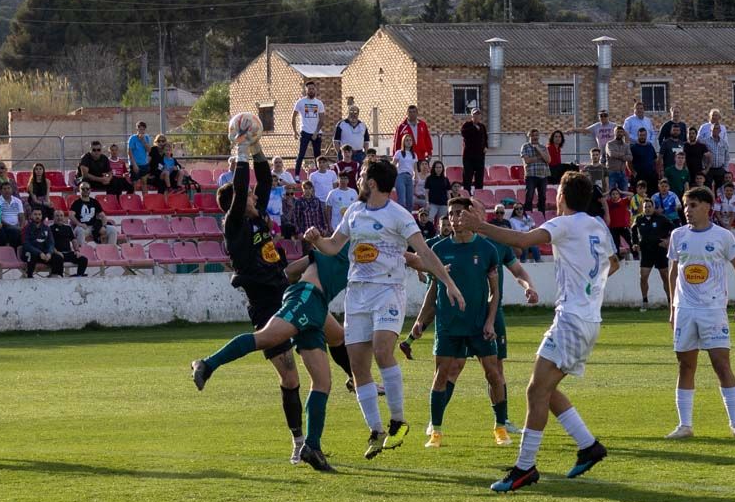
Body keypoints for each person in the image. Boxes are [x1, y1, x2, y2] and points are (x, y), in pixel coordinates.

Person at [191, 126, 355, 465]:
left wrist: (257, 147)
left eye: (252, 198)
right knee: (290, 375)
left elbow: (263, 182)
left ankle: (356, 382)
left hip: (287, 293)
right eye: (248, 198)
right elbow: (240, 189)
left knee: (334, 335)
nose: (254, 198)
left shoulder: (257, 219)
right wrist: (239, 150)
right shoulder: (234, 224)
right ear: (235, 205)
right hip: (265, 302)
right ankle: (299, 442)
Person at [461, 171, 618, 492]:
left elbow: (521, 241)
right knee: (546, 388)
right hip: (587, 319)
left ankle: (524, 467)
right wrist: (591, 286)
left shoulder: (565, 224)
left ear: (562, 195)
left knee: (536, 391)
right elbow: (613, 263)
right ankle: (588, 446)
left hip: (572, 319)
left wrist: (479, 226)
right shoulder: (597, 225)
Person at [305, 160, 464, 459]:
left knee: (381, 350)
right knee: (358, 366)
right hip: (357, 294)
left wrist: (448, 283)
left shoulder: (398, 215)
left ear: (373, 182)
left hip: (388, 291)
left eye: (363, 175)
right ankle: (377, 430)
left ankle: (398, 419)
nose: (359, 179)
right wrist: (316, 239)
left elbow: (424, 252)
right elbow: (333, 246)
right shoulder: (353, 211)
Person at [193, 244, 356, 474]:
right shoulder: (342, 244)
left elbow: (289, 271)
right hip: (307, 298)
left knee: (322, 382)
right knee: (267, 338)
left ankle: (312, 447)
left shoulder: (333, 245)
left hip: (316, 305)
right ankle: (207, 364)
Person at [409, 197, 508, 448]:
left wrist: (489, 322)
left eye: (459, 213)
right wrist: (421, 321)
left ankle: (500, 427)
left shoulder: (487, 250)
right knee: (441, 374)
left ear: (471, 215)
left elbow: (495, 292)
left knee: (493, 374)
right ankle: (436, 432)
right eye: (451, 214)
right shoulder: (439, 250)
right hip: (448, 324)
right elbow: (433, 290)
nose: (454, 218)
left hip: (478, 324)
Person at [665, 187, 735, 440]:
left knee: (721, 365)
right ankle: (685, 425)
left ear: (706, 207)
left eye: (692, 205)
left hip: (713, 311)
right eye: (685, 205)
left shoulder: (723, 236)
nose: (687, 210)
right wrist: (672, 308)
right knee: (685, 365)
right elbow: (673, 272)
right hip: (684, 310)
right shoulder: (677, 235)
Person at [632, 199, 673, 311]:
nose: (648, 208)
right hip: (646, 251)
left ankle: (670, 301)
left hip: (660, 250)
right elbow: (633, 230)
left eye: (650, 206)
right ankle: (645, 301)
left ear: (653, 207)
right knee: (643, 277)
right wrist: (635, 243)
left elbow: (674, 228)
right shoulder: (639, 219)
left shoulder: (662, 218)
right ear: (643, 208)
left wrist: (668, 240)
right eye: (645, 207)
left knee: (665, 276)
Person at [292, 81, 325, 176]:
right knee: (301, 154)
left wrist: (316, 132)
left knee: (317, 155)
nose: (311, 90)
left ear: (315, 90)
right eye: (309, 89)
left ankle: (320, 174)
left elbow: (322, 120)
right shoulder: (300, 102)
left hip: (316, 133)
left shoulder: (319, 103)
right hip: (305, 131)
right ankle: (297, 175)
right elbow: (293, 117)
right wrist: (294, 131)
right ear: (306, 90)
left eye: (313, 89)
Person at [20, 207, 64, 277]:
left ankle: (55, 277)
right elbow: (26, 244)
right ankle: (29, 276)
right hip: (30, 253)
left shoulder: (46, 228)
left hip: (44, 254)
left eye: (39, 214)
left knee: (58, 258)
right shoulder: (26, 228)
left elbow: (51, 243)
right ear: (31, 215)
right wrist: (39, 253)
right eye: (35, 214)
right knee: (31, 255)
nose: (37, 216)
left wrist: (49, 253)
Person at [698, 109, 730, 193]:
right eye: (713, 129)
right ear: (711, 130)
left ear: (720, 131)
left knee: (719, 191)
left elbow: (727, 155)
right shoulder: (705, 140)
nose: (716, 130)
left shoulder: (723, 141)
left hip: (720, 169)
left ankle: (718, 206)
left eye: (717, 129)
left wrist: (725, 168)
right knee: (707, 189)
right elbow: (701, 151)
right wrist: (703, 167)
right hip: (708, 169)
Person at [50, 209, 89, 276]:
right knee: (58, 258)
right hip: (56, 254)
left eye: (61, 216)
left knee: (83, 259)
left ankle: (79, 276)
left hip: (68, 253)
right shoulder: (50, 228)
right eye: (57, 216)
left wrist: (77, 250)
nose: (59, 218)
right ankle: (59, 277)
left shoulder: (68, 228)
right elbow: (49, 243)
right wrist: (56, 252)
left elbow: (73, 240)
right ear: (53, 218)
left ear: (64, 217)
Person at [521, 128, 551, 214]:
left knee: (543, 197)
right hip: (531, 175)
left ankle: (541, 214)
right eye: (533, 135)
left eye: (536, 135)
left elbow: (548, 160)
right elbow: (527, 161)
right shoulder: (525, 146)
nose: (535, 137)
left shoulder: (543, 147)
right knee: (529, 195)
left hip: (543, 175)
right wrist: (539, 157)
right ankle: (527, 214)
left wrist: (538, 150)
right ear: (529, 136)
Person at [460, 107, 487, 192]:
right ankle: (467, 193)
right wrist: (474, 128)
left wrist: (486, 146)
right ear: (472, 115)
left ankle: (479, 193)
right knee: (468, 176)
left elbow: (485, 138)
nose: (476, 116)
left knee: (479, 176)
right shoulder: (467, 125)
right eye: (475, 114)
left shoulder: (482, 126)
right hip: (468, 156)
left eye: (478, 114)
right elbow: (463, 133)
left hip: (479, 156)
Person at [392, 133, 419, 210]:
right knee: (402, 200)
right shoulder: (399, 153)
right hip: (400, 177)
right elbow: (393, 165)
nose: (409, 142)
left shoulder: (414, 154)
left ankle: (408, 218)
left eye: (410, 140)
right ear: (403, 142)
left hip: (409, 177)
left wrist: (416, 177)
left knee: (410, 200)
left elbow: (415, 168)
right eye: (406, 140)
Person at [658, 108, 687, 175]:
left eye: (677, 112)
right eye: (674, 112)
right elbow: (660, 138)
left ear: (680, 113)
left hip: (680, 151)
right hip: (669, 156)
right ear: (671, 113)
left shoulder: (683, 125)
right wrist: (664, 148)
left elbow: (685, 139)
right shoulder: (666, 125)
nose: (676, 114)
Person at [0, 181, 25, 248]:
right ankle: (13, 251)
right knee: (15, 231)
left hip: (17, 226)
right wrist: (12, 226)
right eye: (4, 189)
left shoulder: (18, 201)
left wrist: (22, 226)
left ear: (12, 190)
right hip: (4, 226)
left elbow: (21, 216)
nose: (7, 190)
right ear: (1, 191)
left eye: (8, 188)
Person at [127, 121, 152, 196]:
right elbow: (130, 152)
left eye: (143, 129)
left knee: (144, 182)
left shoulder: (147, 137)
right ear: (137, 129)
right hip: (135, 163)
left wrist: (143, 141)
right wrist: (134, 164)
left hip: (144, 164)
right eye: (140, 129)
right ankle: (133, 200)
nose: (141, 131)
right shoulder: (132, 138)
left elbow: (149, 150)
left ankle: (145, 200)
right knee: (134, 183)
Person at [604, 126, 632, 192]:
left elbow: (630, 157)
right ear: (614, 133)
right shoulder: (609, 144)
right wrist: (624, 155)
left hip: (623, 173)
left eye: (621, 132)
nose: (620, 133)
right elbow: (612, 154)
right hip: (611, 172)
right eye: (618, 132)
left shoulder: (626, 145)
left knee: (625, 194)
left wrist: (618, 155)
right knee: (610, 193)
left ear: (623, 133)